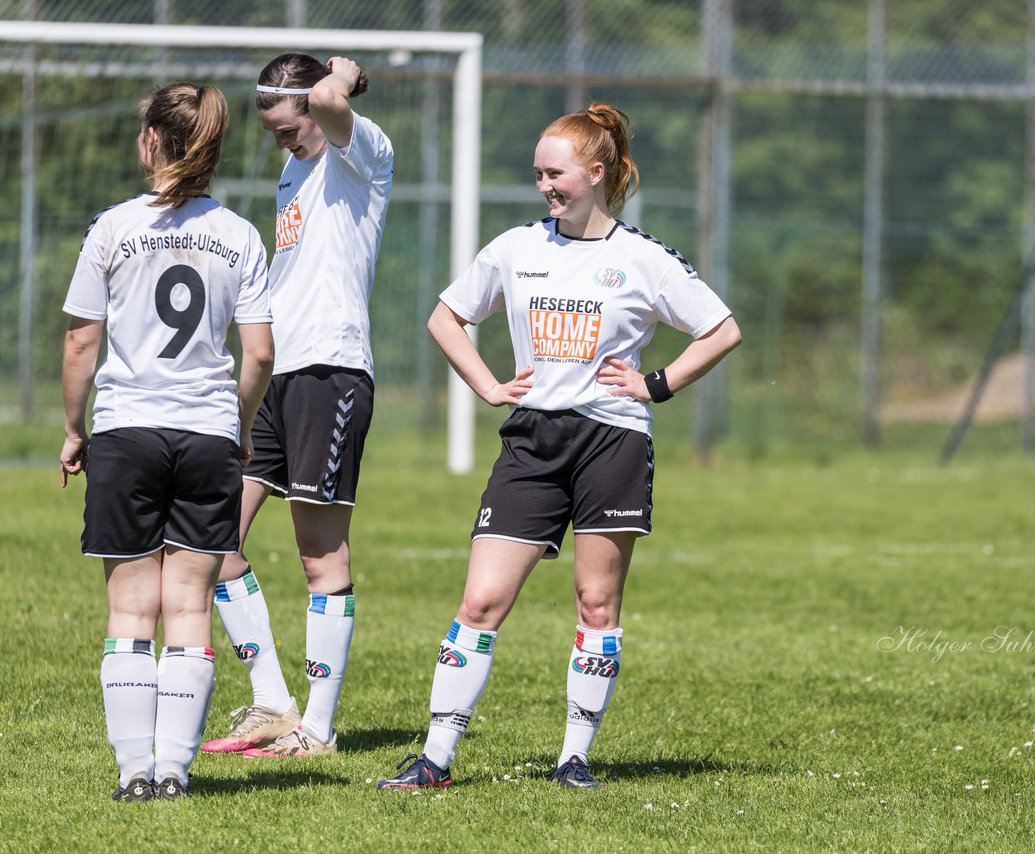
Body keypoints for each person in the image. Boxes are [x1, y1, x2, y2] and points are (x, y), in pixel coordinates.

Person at [377, 104, 742, 791]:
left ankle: (574, 759)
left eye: (556, 173)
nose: (543, 185)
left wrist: (656, 384)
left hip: (613, 442)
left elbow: (720, 329)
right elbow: (445, 317)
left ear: (597, 173)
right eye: (538, 173)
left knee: (595, 603)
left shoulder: (642, 258)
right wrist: (487, 385)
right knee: (481, 601)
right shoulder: (516, 249)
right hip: (531, 445)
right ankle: (435, 759)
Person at [60, 82, 275, 801]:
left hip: (126, 429)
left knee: (131, 611)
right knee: (188, 605)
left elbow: (81, 342)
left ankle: (134, 774)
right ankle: (177, 771)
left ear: (151, 140)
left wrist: (72, 426)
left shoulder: (113, 227)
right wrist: (238, 428)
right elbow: (261, 356)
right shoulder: (240, 234)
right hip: (209, 431)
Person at [199, 53, 394, 759]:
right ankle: (274, 704)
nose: (284, 140)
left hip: (330, 373)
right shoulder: (295, 169)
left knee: (321, 559)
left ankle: (318, 726)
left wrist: (341, 76)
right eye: (274, 131)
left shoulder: (358, 151)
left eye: (289, 127)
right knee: (212, 538)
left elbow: (336, 110)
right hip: (277, 378)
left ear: (315, 102)